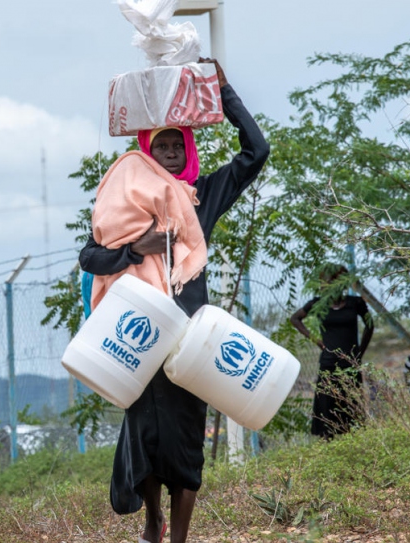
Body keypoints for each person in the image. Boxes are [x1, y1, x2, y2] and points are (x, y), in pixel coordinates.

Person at [79, 58, 269, 543]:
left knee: (186, 442)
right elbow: (89, 257)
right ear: (146, 150)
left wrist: (225, 94)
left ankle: (179, 536)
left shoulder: (202, 196)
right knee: (144, 437)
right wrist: (130, 250)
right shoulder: (129, 200)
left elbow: (256, 152)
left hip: (190, 341)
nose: (166, 152)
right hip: (139, 338)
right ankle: (151, 521)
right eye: (159, 144)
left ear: (187, 150)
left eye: (175, 144)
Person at [290, 265, 374, 439]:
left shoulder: (355, 303)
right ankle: (329, 443)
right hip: (328, 363)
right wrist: (316, 340)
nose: (331, 286)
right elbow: (295, 319)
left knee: (352, 406)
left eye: (336, 282)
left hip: (351, 363)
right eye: (328, 283)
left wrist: (360, 352)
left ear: (342, 284)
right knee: (327, 408)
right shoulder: (318, 304)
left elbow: (370, 325)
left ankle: (355, 444)